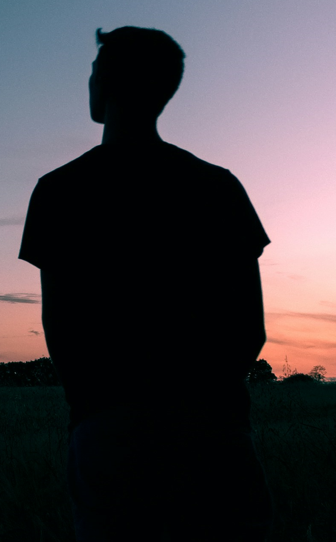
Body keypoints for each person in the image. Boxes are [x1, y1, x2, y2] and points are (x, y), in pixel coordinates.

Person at [19, 27, 275, 541]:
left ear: (107, 81)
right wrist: (206, 400)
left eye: (93, 71)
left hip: (108, 427)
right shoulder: (216, 186)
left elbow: (61, 327)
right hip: (215, 427)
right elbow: (249, 326)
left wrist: (104, 406)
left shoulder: (61, 190)